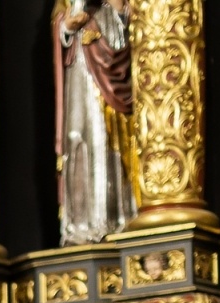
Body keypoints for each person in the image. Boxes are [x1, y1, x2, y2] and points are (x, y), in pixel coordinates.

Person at [54, 0, 135, 245]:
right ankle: (80, 225)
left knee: (104, 137)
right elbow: (59, 19)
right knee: (77, 136)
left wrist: (119, 9)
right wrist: (66, 26)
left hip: (110, 59)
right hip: (79, 66)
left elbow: (134, 19)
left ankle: (114, 220)